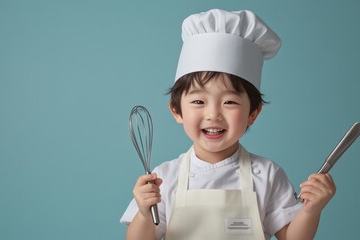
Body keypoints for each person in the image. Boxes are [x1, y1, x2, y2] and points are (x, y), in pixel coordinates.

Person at [120, 8, 336, 240]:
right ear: (176, 110)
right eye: (199, 101)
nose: (213, 114)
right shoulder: (164, 177)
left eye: (230, 102)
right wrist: (144, 213)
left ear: (253, 112)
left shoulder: (267, 175)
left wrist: (312, 210)